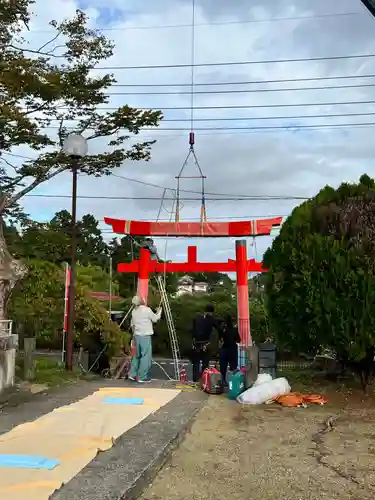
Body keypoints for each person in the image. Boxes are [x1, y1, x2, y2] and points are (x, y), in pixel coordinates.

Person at [128, 295, 162, 383]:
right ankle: (142, 377)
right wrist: (159, 311)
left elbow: (132, 325)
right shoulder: (146, 310)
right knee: (145, 356)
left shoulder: (133, 311)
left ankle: (132, 374)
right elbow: (155, 319)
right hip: (145, 336)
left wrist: (134, 335)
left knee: (136, 356)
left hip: (136, 336)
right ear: (141, 301)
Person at [191, 304, 222, 382]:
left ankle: (195, 379)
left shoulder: (197, 318)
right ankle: (203, 380)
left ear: (204, 311)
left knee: (196, 363)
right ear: (211, 312)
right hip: (205, 343)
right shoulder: (211, 319)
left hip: (196, 343)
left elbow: (193, 330)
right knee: (205, 363)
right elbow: (219, 329)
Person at [219, 314, 240, 385]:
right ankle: (233, 382)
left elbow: (220, 338)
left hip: (224, 349)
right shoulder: (234, 330)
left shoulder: (222, 329)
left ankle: (222, 381)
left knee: (223, 367)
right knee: (233, 367)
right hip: (232, 350)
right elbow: (239, 340)